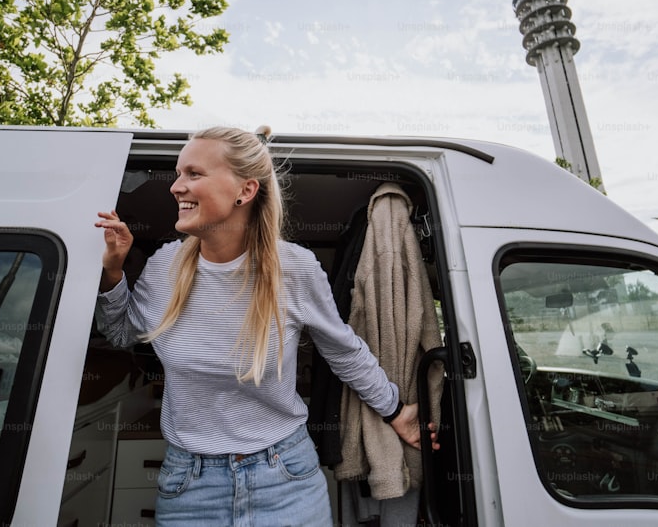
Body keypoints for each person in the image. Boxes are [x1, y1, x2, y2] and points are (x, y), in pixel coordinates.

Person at [94, 125, 437, 526]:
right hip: (188, 483)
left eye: (193, 174)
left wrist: (396, 410)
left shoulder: (294, 268)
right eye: (177, 174)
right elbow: (118, 334)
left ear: (245, 190)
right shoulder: (163, 267)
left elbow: (343, 352)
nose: (175, 187)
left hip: (285, 477)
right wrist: (114, 272)